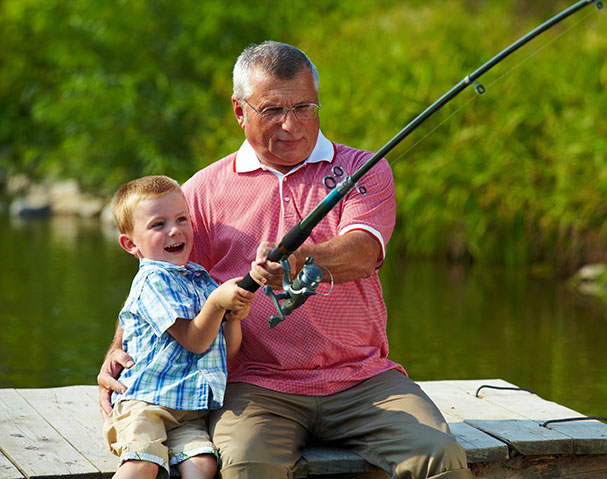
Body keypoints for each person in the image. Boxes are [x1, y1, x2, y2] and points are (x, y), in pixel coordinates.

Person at [98, 42, 471, 479]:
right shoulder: (199, 191)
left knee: (439, 456)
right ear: (240, 111)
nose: (292, 124)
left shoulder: (363, 169)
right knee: (245, 467)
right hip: (255, 383)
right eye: (272, 110)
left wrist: (297, 258)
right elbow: (158, 279)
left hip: (363, 379)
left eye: (305, 107)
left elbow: (363, 253)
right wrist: (117, 350)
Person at [102, 175, 254, 479]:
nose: (174, 230)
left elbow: (229, 351)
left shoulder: (198, 277)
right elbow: (193, 340)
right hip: (143, 404)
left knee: (203, 465)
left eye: (182, 219)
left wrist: (233, 316)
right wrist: (216, 303)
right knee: (143, 462)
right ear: (131, 243)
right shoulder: (152, 282)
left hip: (189, 410)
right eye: (158, 225)